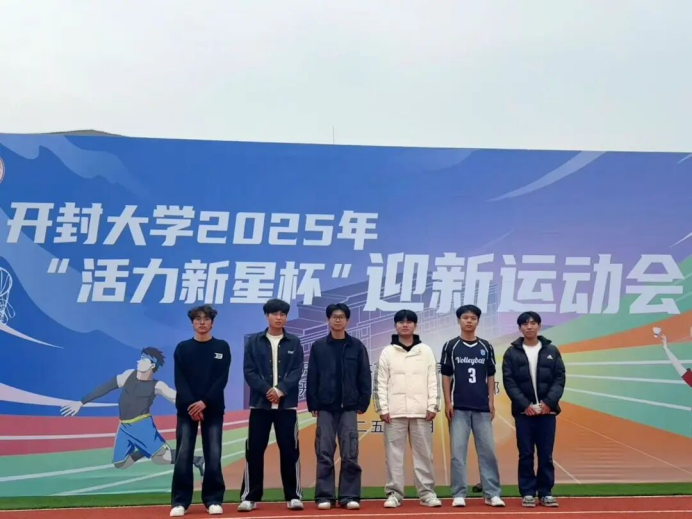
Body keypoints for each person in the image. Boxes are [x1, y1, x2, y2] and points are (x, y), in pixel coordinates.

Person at [61, 348, 204, 475]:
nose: (139, 361)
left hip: (142, 426)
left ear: (152, 365)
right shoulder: (128, 375)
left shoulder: (157, 386)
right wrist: (82, 402)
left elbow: (175, 398)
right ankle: (143, 450)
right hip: (124, 427)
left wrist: (196, 407)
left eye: (144, 359)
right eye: (140, 358)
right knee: (121, 464)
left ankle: (197, 460)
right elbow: (107, 387)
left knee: (161, 459)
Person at [238, 299, 305, 513]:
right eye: (274, 314)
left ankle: (293, 495)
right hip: (260, 406)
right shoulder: (254, 341)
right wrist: (267, 390)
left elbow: (297, 370)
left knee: (290, 451)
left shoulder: (294, 342)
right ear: (266, 316)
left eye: (282, 314)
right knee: (254, 451)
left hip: (286, 407)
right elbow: (249, 371)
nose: (279, 317)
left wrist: (280, 390)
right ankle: (250, 496)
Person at [306, 303, 372, 510]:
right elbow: (312, 376)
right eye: (334, 316)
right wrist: (312, 402)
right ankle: (325, 496)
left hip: (349, 407)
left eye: (341, 316)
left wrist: (363, 401)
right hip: (325, 406)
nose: (337, 320)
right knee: (324, 451)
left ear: (347, 320)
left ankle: (349, 496)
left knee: (350, 451)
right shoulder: (319, 346)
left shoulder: (356, 346)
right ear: (328, 319)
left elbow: (364, 375)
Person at [374, 309, 442, 509]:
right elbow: (380, 382)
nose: (405, 325)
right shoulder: (387, 352)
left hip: (421, 412)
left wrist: (432, 405)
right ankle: (394, 494)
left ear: (415, 325)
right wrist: (383, 409)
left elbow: (433, 380)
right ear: (395, 326)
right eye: (401, 322)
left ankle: (427, 494)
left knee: (424, 455)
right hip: (394, 413)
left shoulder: (426, 351)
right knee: (393, 456)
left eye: (409, 322)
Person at [440, 305, 505, 508]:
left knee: (488, 452)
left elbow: (491, 375)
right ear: (459, 320)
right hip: (458, 407)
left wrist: (491, 401)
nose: (469, 321)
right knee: (458, 453)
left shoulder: (486, 346)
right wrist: (448, 402)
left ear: (478, 321)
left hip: (482, 407)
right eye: (465, 317)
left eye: (473, 318)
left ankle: (492, 493)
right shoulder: (451, 346)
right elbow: (445, 375)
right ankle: (459, 493)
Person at [170, 305, 231, 517]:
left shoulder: (222, 347)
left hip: (212, 409)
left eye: (206, 319)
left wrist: (204, 402)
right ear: (192, 323)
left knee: (213, 454)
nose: (202, 322)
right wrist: (192, 404)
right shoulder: (183, 348)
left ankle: (213, 499)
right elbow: (180, 380)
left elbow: (221, 379)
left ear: (212, 322)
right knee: (184, 454)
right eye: (198, 319)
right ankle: (180, 502)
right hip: (186, 410)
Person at [502, 311, 565, 508]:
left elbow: (559, 378)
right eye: (525, 324)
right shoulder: (511, 353)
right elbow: (509, 382)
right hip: (524, 413)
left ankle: (545, 492)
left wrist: (549, 403)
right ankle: (528, 492)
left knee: (546, 454)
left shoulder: (551, 350)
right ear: (520, 328)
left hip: (547, 412)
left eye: (533, 323)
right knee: (526, 454)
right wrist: (525, 405)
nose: (529, 327)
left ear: (539, 326)